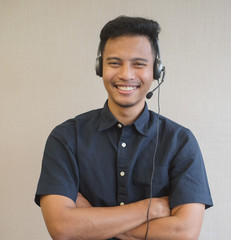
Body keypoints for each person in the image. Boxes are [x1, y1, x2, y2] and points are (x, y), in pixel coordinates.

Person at [35, 16, 213, 240]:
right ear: (100, 67)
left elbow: (184, 233)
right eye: (115, 63)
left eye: (139, 64)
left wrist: (89, 219)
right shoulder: (66, 138)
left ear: (156, 71)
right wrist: (151, 208)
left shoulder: (181, 142)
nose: (126, 75)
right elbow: (62, 229)